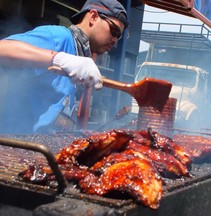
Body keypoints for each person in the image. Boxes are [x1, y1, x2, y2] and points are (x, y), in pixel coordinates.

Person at [0, 0, 129, 134]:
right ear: (93, 17)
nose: (115, 41)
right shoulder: (59, 37)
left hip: (42, 149)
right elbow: (2, 49)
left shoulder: (80, 56)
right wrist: (58, 59)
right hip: (16, 147)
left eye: (118, 37)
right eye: (114, 31)